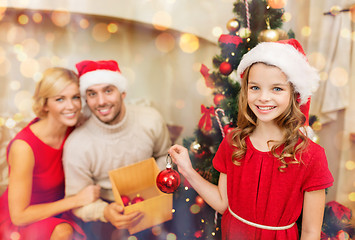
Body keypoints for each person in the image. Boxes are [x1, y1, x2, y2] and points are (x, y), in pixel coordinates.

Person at [168, 39, 334, 240]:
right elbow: (222, 203)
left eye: (277, 89)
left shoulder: (311, 156)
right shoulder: (233, 142)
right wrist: (187, 170)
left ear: (294, 94)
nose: (263, 97)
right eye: (255, 87)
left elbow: (310, 232)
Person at [62, 60, 171, 239]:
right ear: (85, 99)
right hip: (107, 211)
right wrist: (105, 212)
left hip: (154, 199)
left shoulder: (150, 119)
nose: (101, 101)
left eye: (108, 91)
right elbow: (76, 200)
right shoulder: (77, 144)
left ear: (123, 93)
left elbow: (165, 154)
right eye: (92, 94)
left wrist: (157, 182)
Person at [0, 67, 100, 240]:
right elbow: (19, 215)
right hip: (23, 220)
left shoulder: (76, 128)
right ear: (45, 104)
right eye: (60, 99)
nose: (71, 106)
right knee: (64, 232)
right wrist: (76, 200)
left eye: (75, 97)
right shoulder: (24, 147)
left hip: (61, 212)